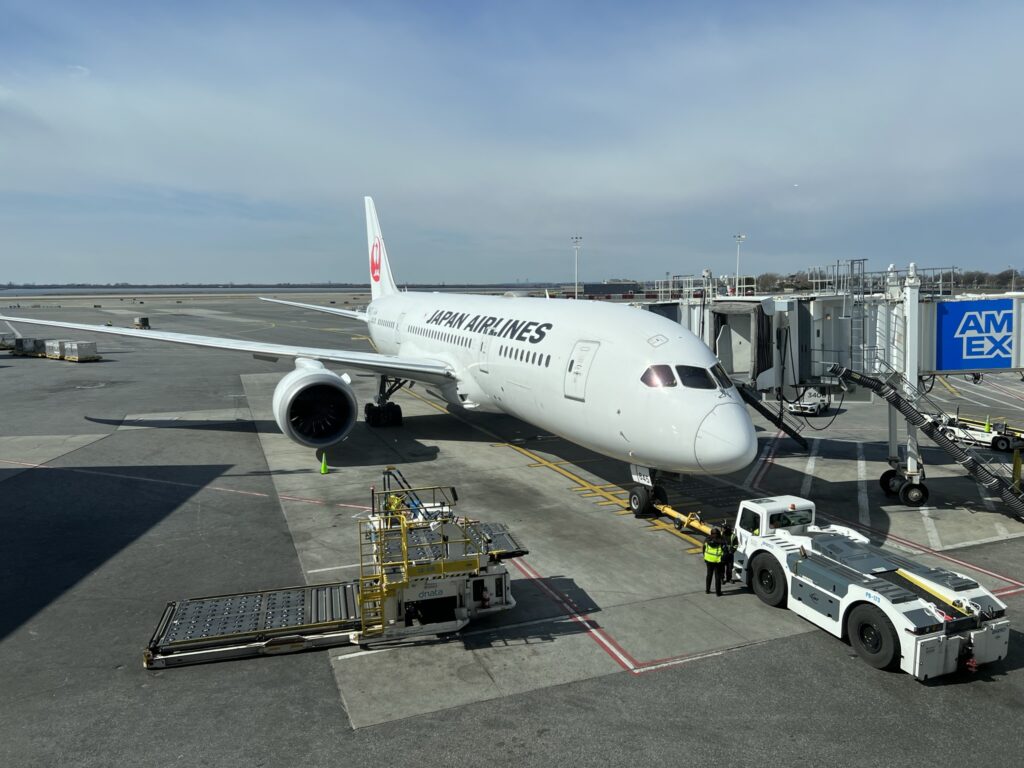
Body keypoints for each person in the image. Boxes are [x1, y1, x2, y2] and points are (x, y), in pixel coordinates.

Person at [703, 527, 725, 596]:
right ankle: (718, 593)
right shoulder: (721, 542)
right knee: (717, 577)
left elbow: (703, 549)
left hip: (708, 560)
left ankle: (707, 590)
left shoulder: (707, 540)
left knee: (709, 575)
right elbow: (725, 552)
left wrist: (705, 557)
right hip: (717, 561)